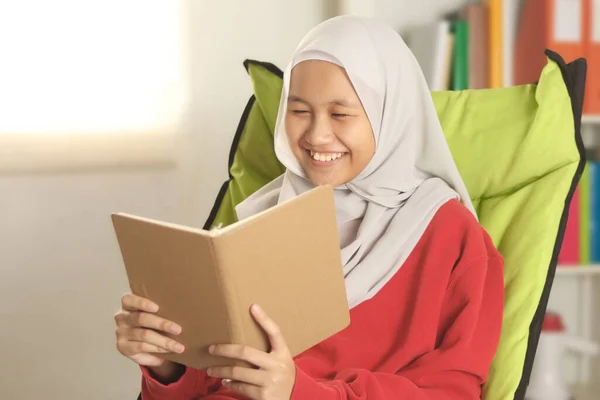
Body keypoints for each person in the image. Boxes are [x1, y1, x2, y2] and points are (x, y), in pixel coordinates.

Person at [114, 15, 504, 400]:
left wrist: (299, 392)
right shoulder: (260, 219)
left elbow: (452, 391)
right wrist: (167, 363)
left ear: (391, 114)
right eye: (299, 111)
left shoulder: (451, 237)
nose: (317, 135)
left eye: (340, 114)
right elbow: (219, 369)